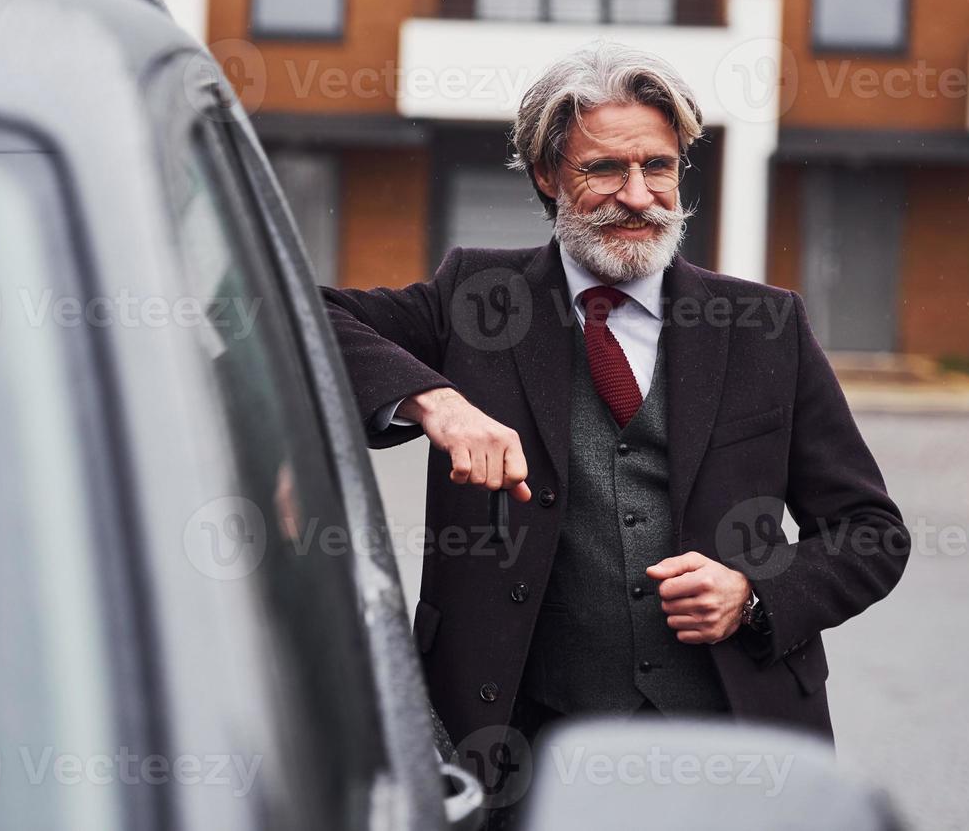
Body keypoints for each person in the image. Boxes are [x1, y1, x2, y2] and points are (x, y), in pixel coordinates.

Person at [320, 43, 908, 813]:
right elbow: (307, 316)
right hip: (523, 747)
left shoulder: (765, 325)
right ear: (546, 174)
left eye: (659, 167)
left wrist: (756, 593)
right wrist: (437, 400)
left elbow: (871, 532)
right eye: (605, 170)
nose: (639, 196)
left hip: (733, 741)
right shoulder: (478, 295)